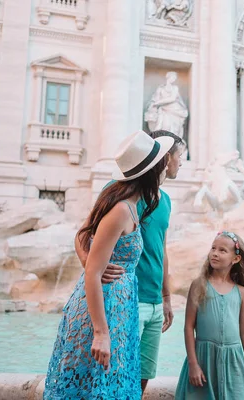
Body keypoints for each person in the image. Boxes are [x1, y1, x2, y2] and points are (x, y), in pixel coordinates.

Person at [44, 130, 175, 399]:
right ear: (151, 173)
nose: (168, 167)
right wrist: (101, 333)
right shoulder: (120, 209)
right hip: (107, 307)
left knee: (112, 386)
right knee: (95, 388)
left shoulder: (134, 205)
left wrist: (166, 296)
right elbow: (92, 271)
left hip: (121, 308)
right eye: (162, 164)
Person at [74, 130, 187, 394]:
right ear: (165, 158)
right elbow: (83, 234)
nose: (182, 162)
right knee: (113, 375)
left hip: (154, 301)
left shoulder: (166, 201)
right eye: (180, 155)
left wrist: (166, 297)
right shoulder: (119, 195)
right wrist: (92, 266)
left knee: (144, 375)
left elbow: (162, 249)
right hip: (126, 300)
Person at [175, 231, 244, 400]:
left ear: (236, 259)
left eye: (222, 250)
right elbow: (189, 327)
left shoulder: (242, 293)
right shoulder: (199, 286)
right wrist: (193, 364)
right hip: (203, 360)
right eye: (213, 248)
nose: (215, 253)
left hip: (233, 362)